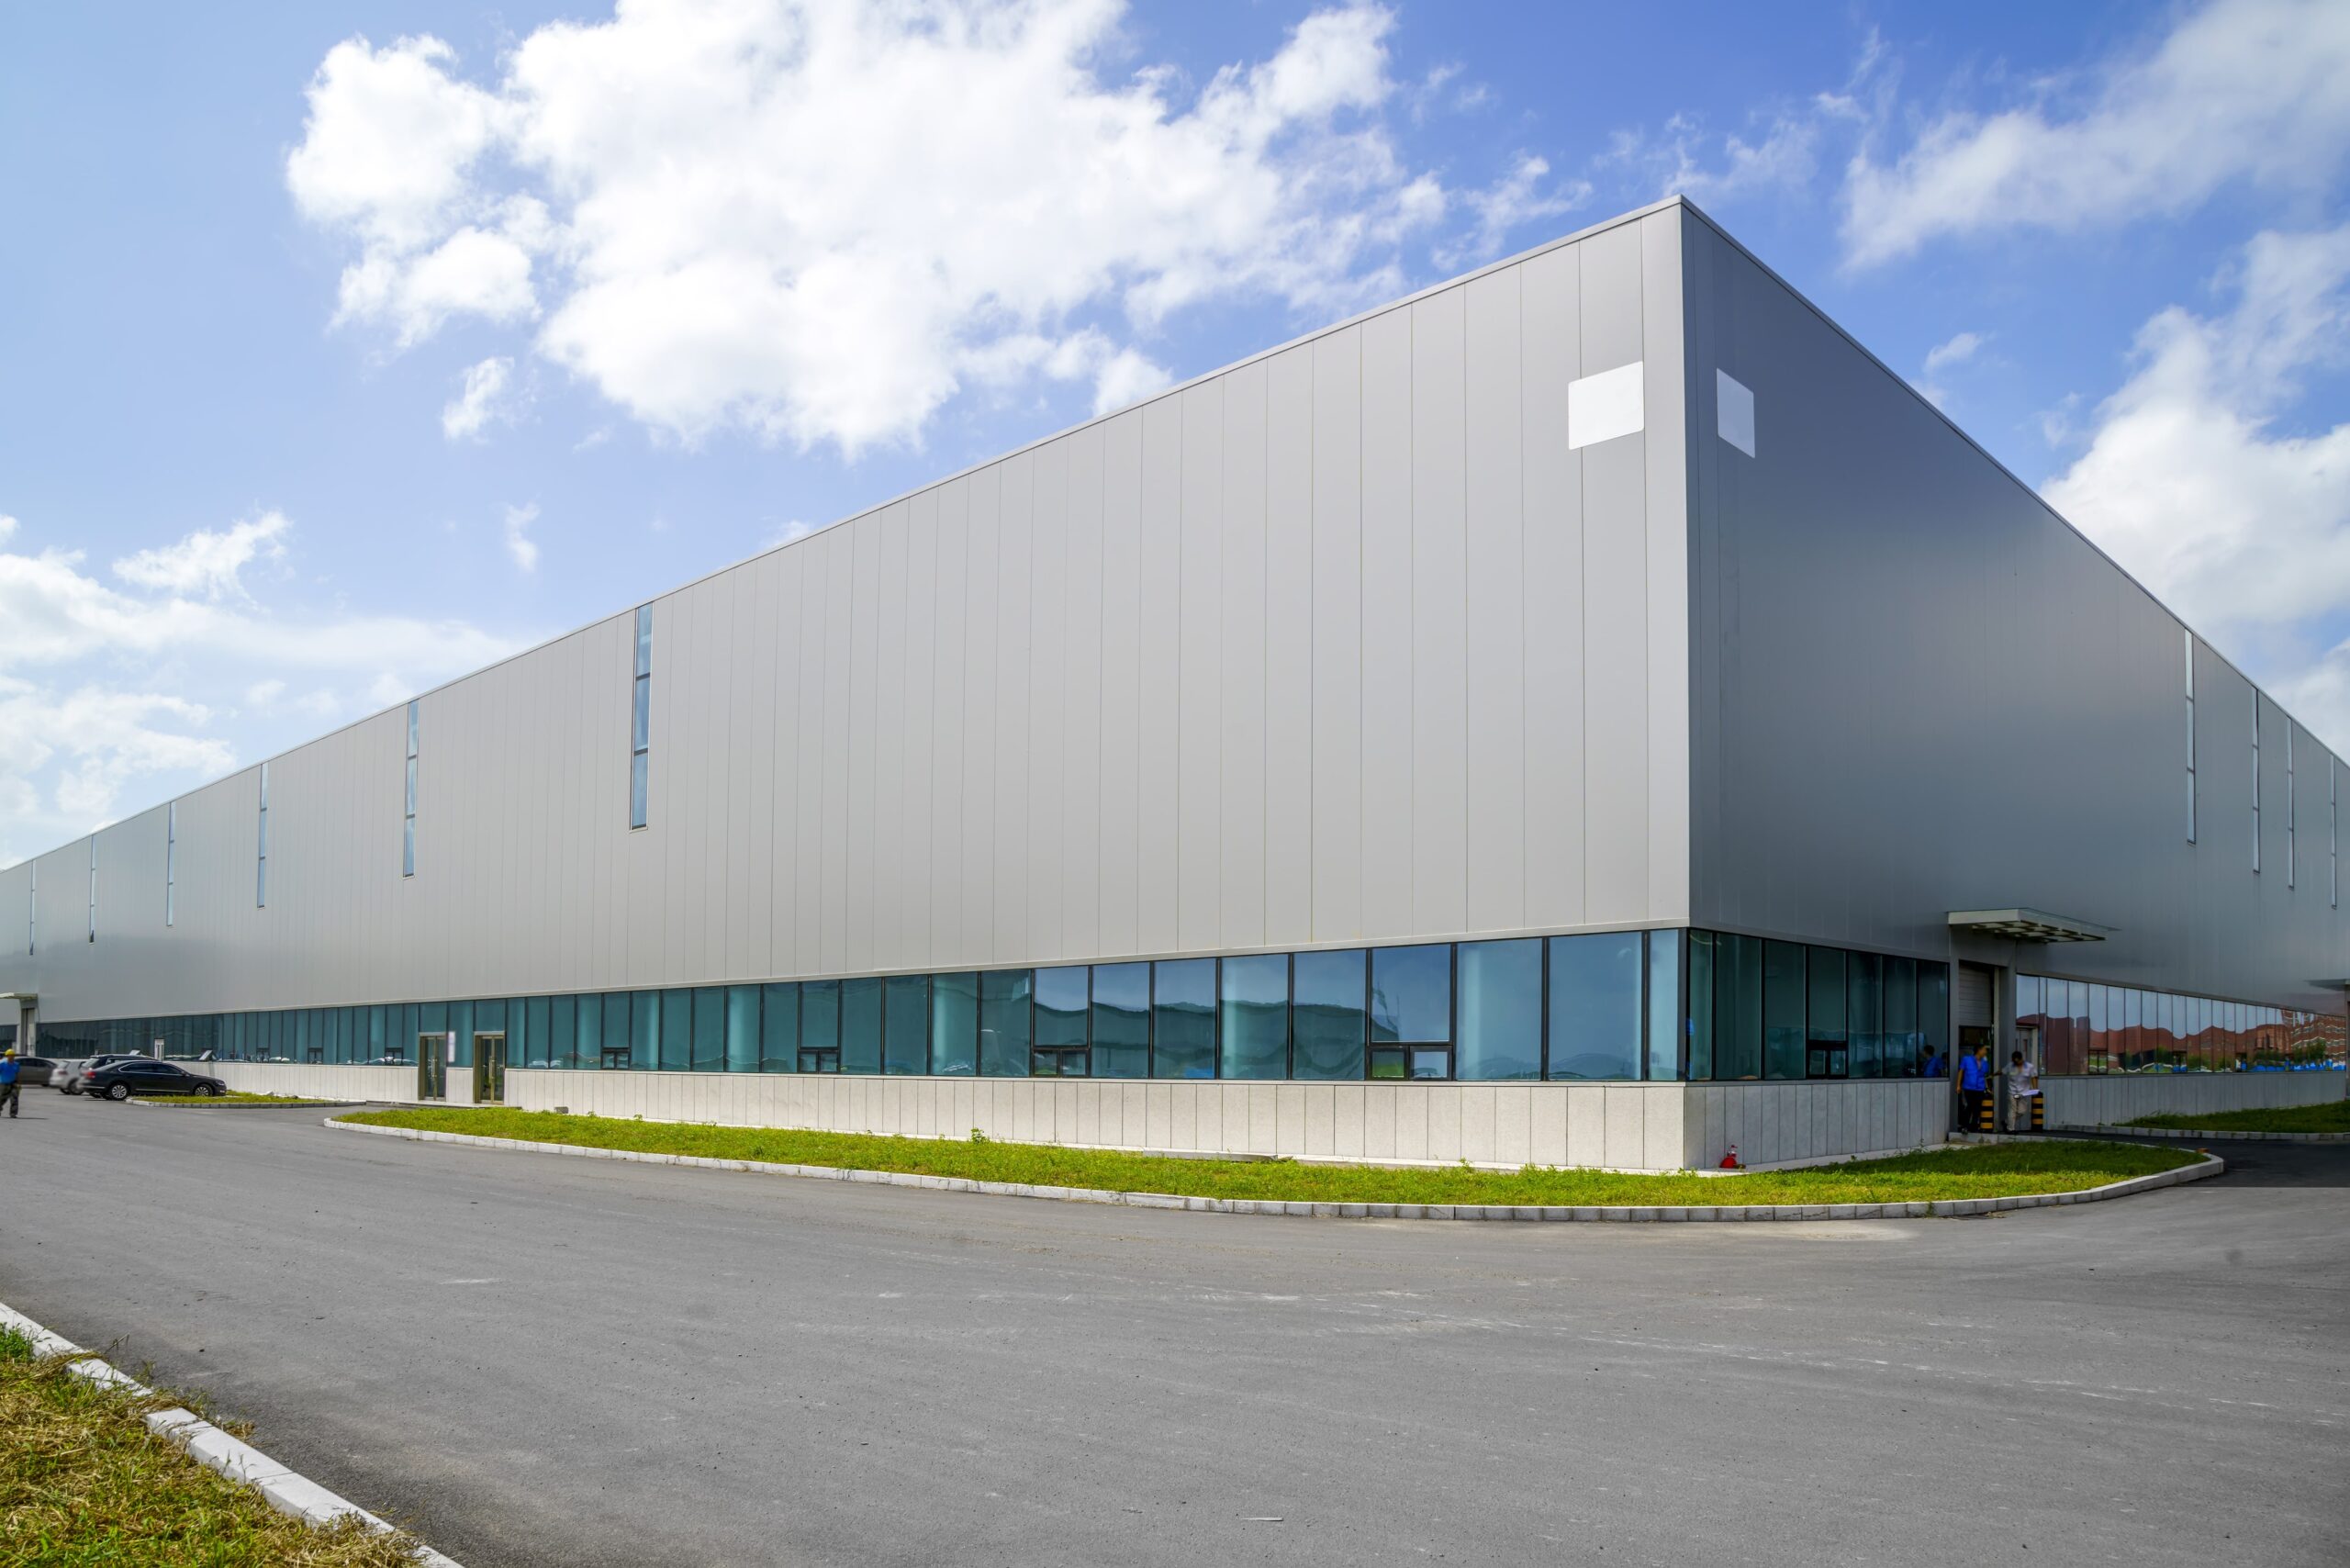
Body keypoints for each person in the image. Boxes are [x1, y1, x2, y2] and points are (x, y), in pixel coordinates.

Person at [1956, 1043, 1989, 1132]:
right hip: (1968, 1087)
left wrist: (1985, 1061)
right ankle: (1965, 1126)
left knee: (1977, 1108)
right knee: (1969, 1106)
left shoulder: (1984, 1062)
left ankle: (1974, 1127)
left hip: (1980, 1088)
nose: (1985, 1051)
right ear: (1979, 1050)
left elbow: (1986, 1072)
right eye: (1984, 1050)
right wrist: (1958, 1085)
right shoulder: (1967, 1059)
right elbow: (1961, 1071)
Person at [2009, 1049, 2040, 1131]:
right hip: (2013, 1093)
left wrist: (2035, 1089)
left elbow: (2034, 1077)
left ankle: (2007, 1122)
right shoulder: (2011, 1066)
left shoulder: (2029, 1067)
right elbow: (2002, 1071)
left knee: (2022, 1111)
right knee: (2013, 1109)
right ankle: (2011, 1129)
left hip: (2022, 1094)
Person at [0, 1049, 19, 1120]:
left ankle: (13, 1114)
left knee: (14, 1099)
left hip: (13, 1083)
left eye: (12, 1056)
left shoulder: (16, 1065)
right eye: (9, 1055)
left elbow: (17, 1074)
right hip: (3, 1083)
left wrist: (18, 1083)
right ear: (7, 1056)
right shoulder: (2, 1064)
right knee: (2, 1099)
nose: (11, 1057)